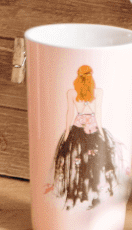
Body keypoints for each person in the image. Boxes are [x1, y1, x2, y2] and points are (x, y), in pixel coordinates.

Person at [52, 65, 124, 209]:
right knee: (89, 161)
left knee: (78, 161)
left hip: (78, 130)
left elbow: (70, 113)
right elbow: (97, 114)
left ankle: (82, 194)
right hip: (90, 130)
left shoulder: (72, 93)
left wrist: (68, 133)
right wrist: (101, 132)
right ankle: (89, 194)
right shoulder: (97, 92)